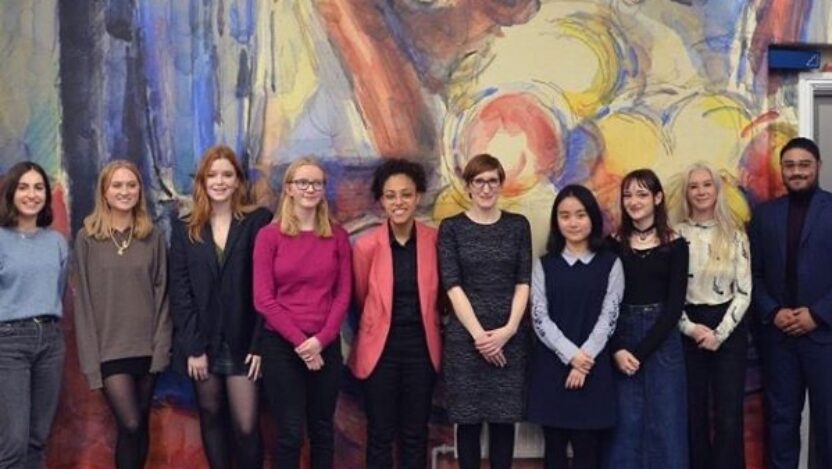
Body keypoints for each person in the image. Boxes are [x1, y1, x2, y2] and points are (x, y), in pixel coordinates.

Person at [169, 145, 272, 468]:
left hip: (245, 343)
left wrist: (259, 344)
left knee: (245, 426)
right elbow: (181, 292)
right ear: (202, 181)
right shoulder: (186, 228)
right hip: (204, 343)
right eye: (213, 175)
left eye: (227, 174)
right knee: (211, 417)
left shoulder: (259, 221)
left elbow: (268, 287)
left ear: (238, 180)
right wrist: (193, 347)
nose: (220, 181)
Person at [253, 157, 352, 469]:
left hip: (325, 344)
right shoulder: (269, 236)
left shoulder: (337, 237)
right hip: (282, 346)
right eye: (303, 183)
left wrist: (320, 340)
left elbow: (343, 294)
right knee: (291, 432)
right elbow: (263, 299)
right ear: (289, 189)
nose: (310, 189)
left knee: (323, 429)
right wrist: (301, 343)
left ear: (324, 189)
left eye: (317, 183)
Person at [72, 160, 171, 469]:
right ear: (104, 191)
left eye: (131, 185)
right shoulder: (87, 238)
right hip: (109, 352)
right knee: (129, 424)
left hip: (148, 349)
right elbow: (83, 304)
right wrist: (91, 363)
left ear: (140, 191)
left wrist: (161, 352)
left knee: (139, 426)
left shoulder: (152, 237)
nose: (124, 191)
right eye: (117, 185)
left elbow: (163, 297)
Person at [437, 153, 532, 469]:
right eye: (479, 181)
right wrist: (480, 337)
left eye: (493, 181)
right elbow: (452, 286)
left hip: (510, 337)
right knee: (468, 423)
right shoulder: (451, 229)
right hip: (466, 340)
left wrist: (507, 331)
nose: (486, 188)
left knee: (504, 423)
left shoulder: (518, 226)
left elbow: (523, 281)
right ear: (468, 187)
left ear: (501, 184)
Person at [350, 159, 442, 469]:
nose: (398, 202)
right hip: (381, 351)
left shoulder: (436, 240)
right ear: (381, 200)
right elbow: (362, 297)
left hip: (422, 349)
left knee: (416, 434)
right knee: (380, 434)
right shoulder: (365, 246)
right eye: (391, 196)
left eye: (406, 194)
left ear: (418, 196)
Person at [750, 137, 832, 468]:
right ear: (781, 170)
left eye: (804, 165)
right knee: (781, 423)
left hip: (824, 337)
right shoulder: (765, 215)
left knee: (828, 423)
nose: (796, 172)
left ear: (818, 168)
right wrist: (773, 310)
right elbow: (751, 274)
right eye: (790, 166)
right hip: (779, 338)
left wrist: (818, 314)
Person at [527, 184, 623, 469]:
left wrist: (584, 361)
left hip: (594, 370)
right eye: (565, 215)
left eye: (580, 214)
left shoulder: (610, 263)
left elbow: (610, 316)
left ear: (592, 217)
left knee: (587, 452)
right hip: (552, 370)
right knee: (554, 450)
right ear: (557, 221)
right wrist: (572, 356)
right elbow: (539, 317)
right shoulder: (544, 265)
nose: (573, 222)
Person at [605, 169, 689, 469]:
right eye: (627, 195)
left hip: (662, 340)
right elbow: (605, 305)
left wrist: (639, 353)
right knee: (626, 423)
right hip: (621, 336)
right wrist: (617, 349)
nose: (633, 201)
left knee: (667, 421)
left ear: (657, 198)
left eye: (641, 194)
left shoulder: (676, 244)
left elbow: (674, 305)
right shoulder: (612, 244)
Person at [673, 163, 751, 469]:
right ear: (687, 193)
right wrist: (691, 329)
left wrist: (719, 334)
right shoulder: (675, 235)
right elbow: (669, 293)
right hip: (687, 327)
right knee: (693, 413)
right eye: (694, 186)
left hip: (728, 328)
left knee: (729, 415)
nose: (701, 191)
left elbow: (745, 291)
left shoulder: (735, 234)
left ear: (717, 191)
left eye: (707, 185)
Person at [0, 162, 69, 469]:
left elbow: (60, 288)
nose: (32, 194)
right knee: (13, 443)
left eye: (39, 187)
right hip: (9, 343)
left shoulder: (56, 242)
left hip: (51, 342)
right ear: (12, 193)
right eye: (24, 187)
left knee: (37, 440)